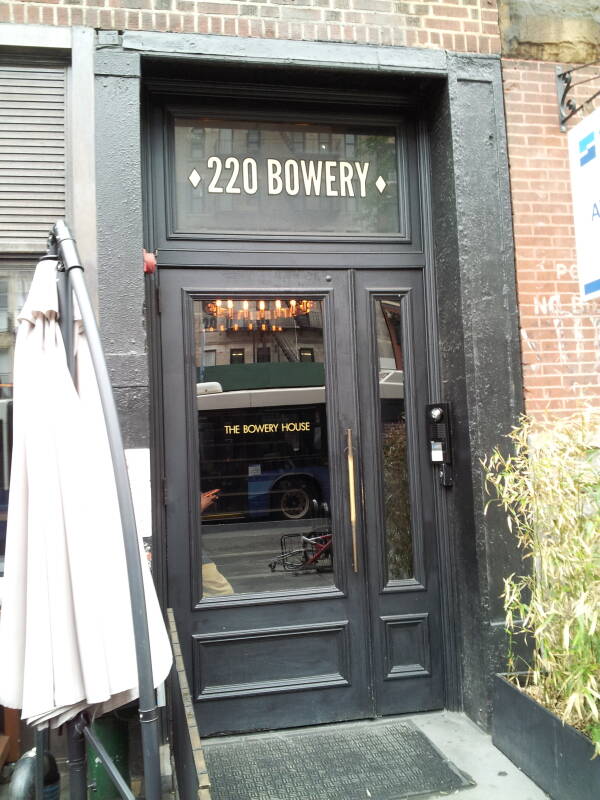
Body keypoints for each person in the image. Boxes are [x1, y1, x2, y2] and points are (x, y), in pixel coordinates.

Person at [200, 488, 234, 597]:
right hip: (186, 549)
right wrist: (200, 506)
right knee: (224, 593)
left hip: (188, 547)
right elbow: (177, 521)